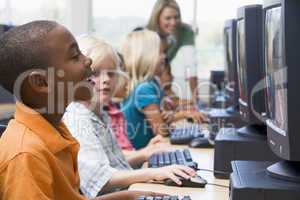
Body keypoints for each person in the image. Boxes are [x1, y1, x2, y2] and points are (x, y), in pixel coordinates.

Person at [0, 20, 159, 200]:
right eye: (75, 56)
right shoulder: (26, 155)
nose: (88, 60)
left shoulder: (56, 130)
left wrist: (129, 196)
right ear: (41, 82)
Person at [63, 36, 197, 199]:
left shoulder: (100, 113)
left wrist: (147, 155)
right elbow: (101, 179)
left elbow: (113, 162)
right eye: (96, 73)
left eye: (111, 74)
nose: (105, 80)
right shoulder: (79, 119)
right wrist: (153, 172)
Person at [120, 29, 170, 149]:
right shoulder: (145, 89)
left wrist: (167, 116)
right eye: (161, 52)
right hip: (142, 161)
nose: (164, 56)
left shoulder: (140, 85)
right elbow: (162, 133)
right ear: (146, 56)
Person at [147, 0, 199, 102]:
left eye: (177, 17)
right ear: (157, 18)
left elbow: (191, 67)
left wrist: (195, 100)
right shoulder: (147, 36)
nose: (173, 22)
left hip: (161, 87)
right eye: (168, 18)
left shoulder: (184, 31)